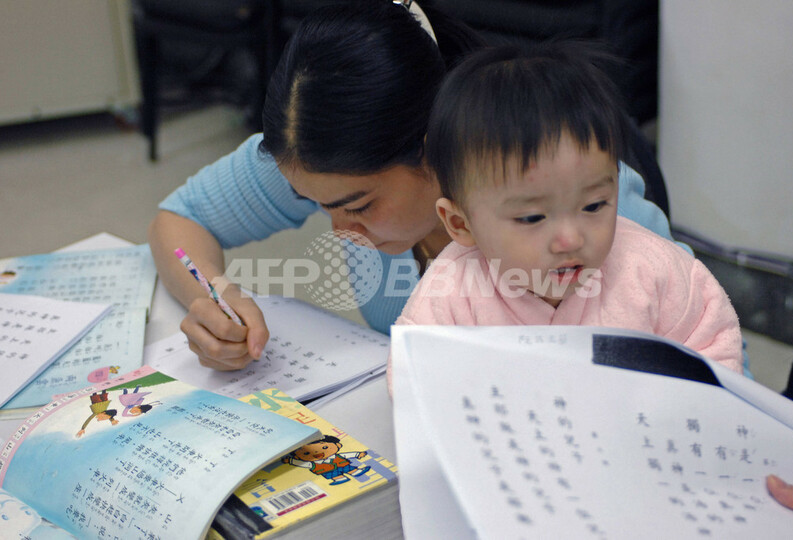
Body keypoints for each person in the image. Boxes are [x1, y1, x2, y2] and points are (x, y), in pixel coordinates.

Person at [148, 0, 683, 372]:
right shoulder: (320, 161)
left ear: (431, 149)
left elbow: (709, 370)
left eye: (357, 206)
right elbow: (180, 220)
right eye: (315, 205)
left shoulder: (577, 217)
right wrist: (216, 298)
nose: (340, 232)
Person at [391, 42, 743, 387]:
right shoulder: (452, 292)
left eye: (593, 206)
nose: (571, 239)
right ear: (460, 223)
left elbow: (715, 355)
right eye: (532, 218)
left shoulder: (654, 272)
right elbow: (413, 379)